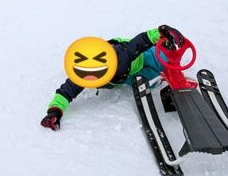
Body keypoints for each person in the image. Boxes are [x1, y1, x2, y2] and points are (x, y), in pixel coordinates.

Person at [40, 25, 185, 131]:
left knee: (162, 61)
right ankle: (160, 75)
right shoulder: (83, 75)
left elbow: (141, 40)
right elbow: (65, 92)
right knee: (147, 82)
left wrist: (162, 32)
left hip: (142, 57)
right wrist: (54, 111)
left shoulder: (122, 56)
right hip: (128, 76)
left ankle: (166, 47)